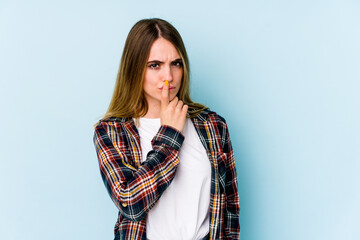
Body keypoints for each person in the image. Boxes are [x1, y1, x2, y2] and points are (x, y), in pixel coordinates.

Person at [93, 18, 240, 240]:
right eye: (155, 65)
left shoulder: (212, 125)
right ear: (134, 69)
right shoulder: (111, 131)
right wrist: (170, 135)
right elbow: (130, 203)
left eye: (176, 64)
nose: (168, 77)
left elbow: (229, 209)